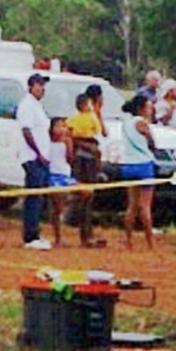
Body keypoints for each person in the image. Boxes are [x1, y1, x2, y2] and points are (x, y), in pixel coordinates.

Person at [66, 90, 106, 248]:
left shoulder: (89, 118)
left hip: (90, 160)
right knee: (84, 198)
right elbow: (72, 139)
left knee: (89, 199)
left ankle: (88, 234)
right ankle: (85, 235)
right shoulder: (76, 121)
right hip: (84, 161)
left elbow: (101, 133)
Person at [19, 73, 52, 251]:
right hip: (33, 158)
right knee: (33, 197)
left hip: (41, 158)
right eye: (39, 85)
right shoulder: (27, 105)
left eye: (43, 85)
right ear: (31, 86)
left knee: (38, 198)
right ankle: (30, 236)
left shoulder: (37, 106)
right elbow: (26, 131)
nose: (42, 88)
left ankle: (35, 232)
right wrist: (38, 153)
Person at [121, 95, 158, 251]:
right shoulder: (142, 123)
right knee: (145, 206)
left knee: (132, 206)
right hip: (144, 165)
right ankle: (150, 242)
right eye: (148, 107)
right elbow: (152, 144)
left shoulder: (125, 124)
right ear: (141, 109)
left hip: (129, 164)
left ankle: (128, 241)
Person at [47, 117, 75, 247]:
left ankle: (67, 210)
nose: (61, 129)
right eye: (58, 126)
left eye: (63, 126)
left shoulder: (66, 142)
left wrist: (69, 143)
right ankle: (58, 237)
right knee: (56, 207)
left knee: (86, 193)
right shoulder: (47, 142)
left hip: (65, 175)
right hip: (53, 175)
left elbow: (70, 158)